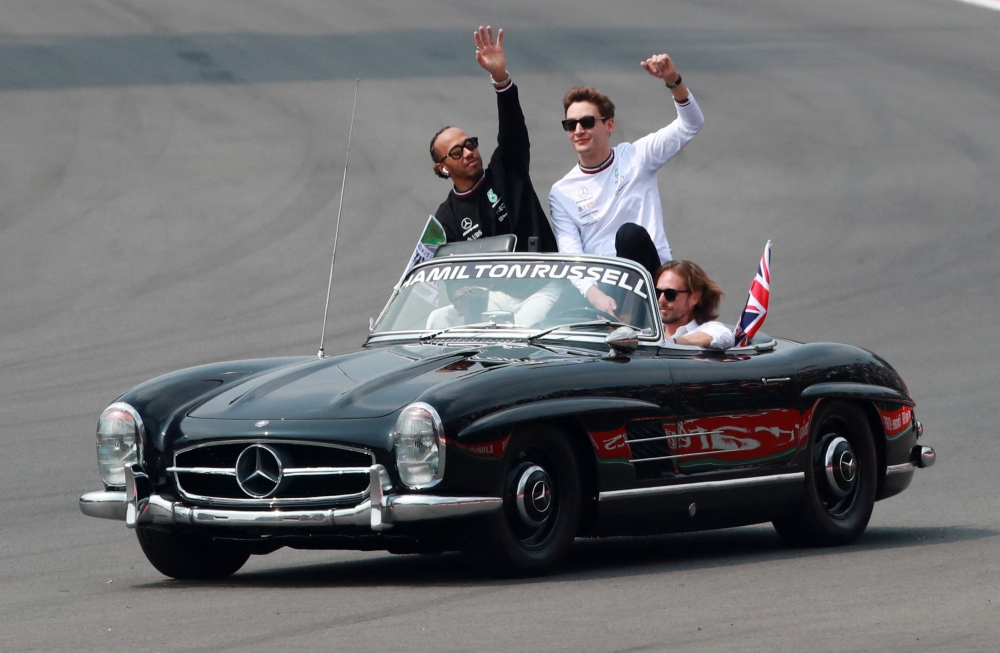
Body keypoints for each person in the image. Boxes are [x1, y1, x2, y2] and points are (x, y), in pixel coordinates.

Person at [549, 53, 703, 316]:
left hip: (653, 280)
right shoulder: (561, 192)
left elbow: (691, 123)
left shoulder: (637, 156)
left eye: (587, 122)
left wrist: (672, 80)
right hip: (603, 292)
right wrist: (593, 294)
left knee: (628, 235)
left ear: (609, 125)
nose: (578, 130)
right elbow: (572, 257)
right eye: (570, 124)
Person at [430, 26, 557, 253]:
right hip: (488, 289)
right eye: (456, 152)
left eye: (470, 144)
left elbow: (513, 131)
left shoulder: (506, 171)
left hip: (544, 282)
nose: (468, 152)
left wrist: (500, 78)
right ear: (442, 167)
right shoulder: (446, 220)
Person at [655, 260, 734, 349]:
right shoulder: (650, 333)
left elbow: (723, 336)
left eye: (670, 294)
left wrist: (671, 343)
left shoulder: (709, 329)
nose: (661, 300)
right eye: (657, 292)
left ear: (695, 297)